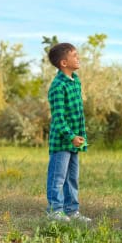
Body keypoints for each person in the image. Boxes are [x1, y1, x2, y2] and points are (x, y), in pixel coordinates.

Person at [45, 42, 91, 223]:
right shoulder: (58, 86)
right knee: (58, 177)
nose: (78, 58)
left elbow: (77, 112)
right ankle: (54, 211)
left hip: (74, 140)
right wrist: (70, 136)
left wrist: (79, 136)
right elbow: (58, 118)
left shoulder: (76, 80)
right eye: (74, 55)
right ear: (64, 63)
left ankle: (72, 211)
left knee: (72, 178)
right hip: (62, 142)